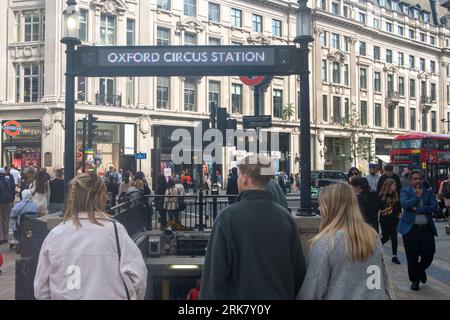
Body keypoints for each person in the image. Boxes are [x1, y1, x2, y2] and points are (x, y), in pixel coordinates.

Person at [200, 155, 305, 299]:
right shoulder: (286, 219)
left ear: (244, 178)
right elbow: (298, 274)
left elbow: (214, 279)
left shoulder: (227, 218)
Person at [33, 173, 148, 299]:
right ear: (101, 197)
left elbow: (41, 289)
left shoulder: (54, 235)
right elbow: (138, 278)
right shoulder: (115, 231)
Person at [297, 182, 390, 300]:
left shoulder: (325, 243)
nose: (320, 209)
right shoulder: (372, 236)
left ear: (331, 209)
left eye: (322, 205)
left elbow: (311, 292)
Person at [398, 171, 437, 291]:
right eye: (415, 179)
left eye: (419, 178)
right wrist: (417, 197)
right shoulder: (405, 191)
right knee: (412, 257)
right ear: (410, 181)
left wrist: (419, 209)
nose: (417, 181)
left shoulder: (428, 191)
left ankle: (420, 271)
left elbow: (434, 206)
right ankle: (415, 280)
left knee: (429, 254)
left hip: (426, 229)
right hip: (410, 230)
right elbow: (405, 204)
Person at [379, 178, 402, 265]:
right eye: (394, 185)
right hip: (384, 220)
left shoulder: (395, 195)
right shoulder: (381, 196)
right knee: (385, 236)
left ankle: (394, 256)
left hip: (394, 220)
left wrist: (399, 214)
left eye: (395, 185)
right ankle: (375, 249)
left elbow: (399, 207)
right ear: (388, 186)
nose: (395, 187)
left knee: (394, 237)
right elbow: (379, 208)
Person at [0, 168, 13, 244]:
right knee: (6, 220)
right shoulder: (8, 179)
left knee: (0, 220)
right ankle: (6, 237)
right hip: (7, 202)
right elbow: (12, 188)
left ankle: (1, 237)